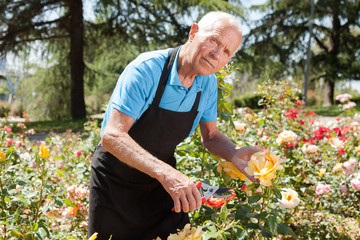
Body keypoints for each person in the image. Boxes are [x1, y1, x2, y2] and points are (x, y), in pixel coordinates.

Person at [87, 11, 261, 240]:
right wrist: (167, 174)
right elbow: (112, 136)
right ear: (193, 32)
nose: (217, 54)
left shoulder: (207, 83)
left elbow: (210, 136)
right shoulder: (147, 69)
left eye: (227, 51)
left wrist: (234, 153)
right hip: (115, 185)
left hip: (161, 185)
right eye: (214, 40)